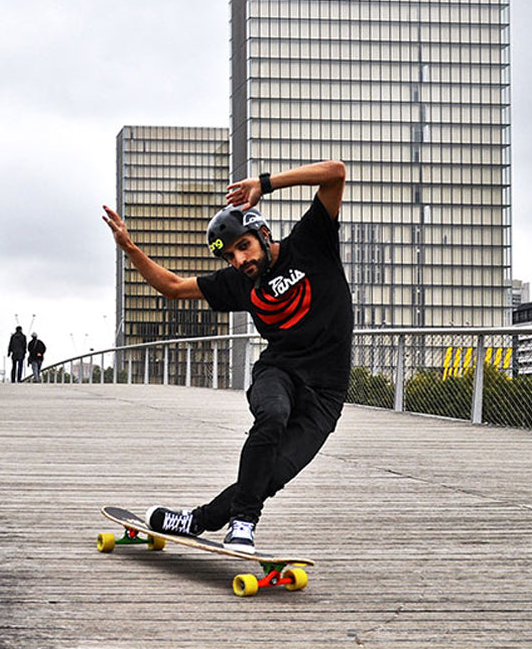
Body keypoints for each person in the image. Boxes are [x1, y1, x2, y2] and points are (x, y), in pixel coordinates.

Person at [101, 160, 350, 553]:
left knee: (270, 475)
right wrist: (130, 248)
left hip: (326, 395)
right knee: (271, 416)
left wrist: (264, 185)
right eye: (231, 256)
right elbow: (173, 287)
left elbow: (335, 173)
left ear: (263, 233)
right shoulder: (239, 282)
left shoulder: (311, 242)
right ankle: (244, 522)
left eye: (244, 247)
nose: (240, 261)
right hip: (278, 373)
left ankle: (197, 521)